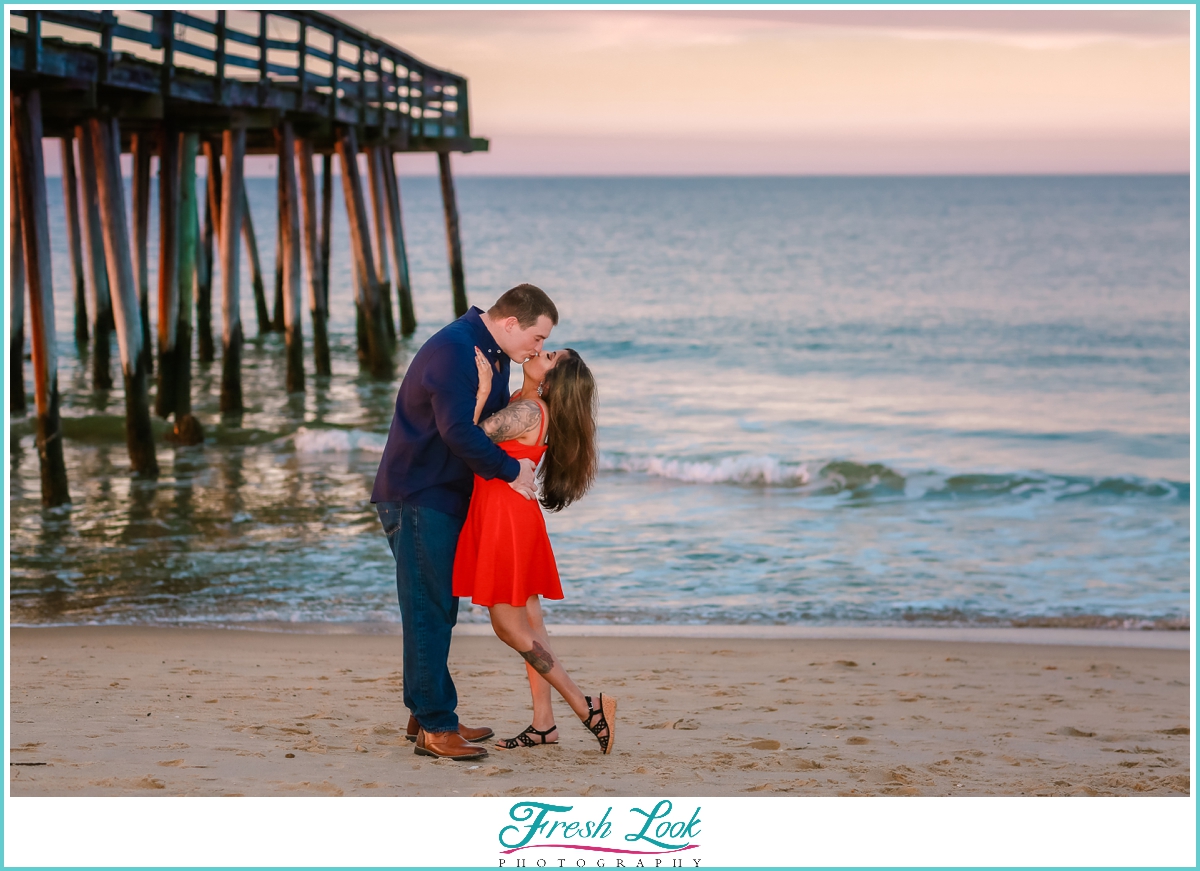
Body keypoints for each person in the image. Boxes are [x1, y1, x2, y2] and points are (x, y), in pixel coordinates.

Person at [372, 284, 557, 761]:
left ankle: (426, 715)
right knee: (427, 609)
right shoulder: (457, 350)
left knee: (439, 608)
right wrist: (512, 469)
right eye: (537, 338)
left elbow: (484, 421)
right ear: (512, 322)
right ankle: (436, 726)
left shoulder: (488, 351)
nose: (538, 348)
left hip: (443, 495)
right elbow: (458, 432)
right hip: (419, 493)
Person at [452, 344, 617, 754]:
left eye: (549, 357)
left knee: (509, 627)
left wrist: (482, 387)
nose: (540, 352)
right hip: (513, 517)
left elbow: (468, 440)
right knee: (531, 624)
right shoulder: (526, 404)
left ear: (549, 379)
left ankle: (586, 707)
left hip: (504, 520)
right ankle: (544, 725)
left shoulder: (528, 411)